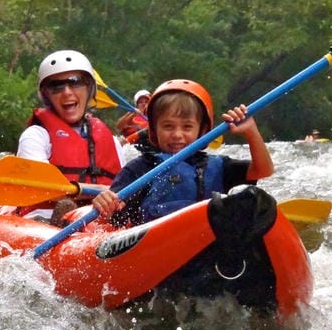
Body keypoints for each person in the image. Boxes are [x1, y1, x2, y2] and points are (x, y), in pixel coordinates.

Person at [91, 79, 274, 226]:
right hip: (157, 250)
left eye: (187, 127)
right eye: (168, 126)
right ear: (154, 131)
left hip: (208, 248)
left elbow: (263, 170)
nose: (177, 135)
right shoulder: (139, 169)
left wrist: (251, 131)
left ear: (202, 132)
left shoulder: (219, 166)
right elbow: (112, 216)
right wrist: (105, 202)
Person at [4, 50, 126, 225]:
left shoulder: (111, 141)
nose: (67, 92)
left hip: (97, 216)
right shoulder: (36, 135)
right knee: (62, 213)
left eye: (75, 82)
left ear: (90, 89)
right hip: (44, 218)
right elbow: (39, 187)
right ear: (46, 95)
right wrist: (92, 190)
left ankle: (78, 219)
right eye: (56, 86)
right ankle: (65, 219)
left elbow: (123, 188)